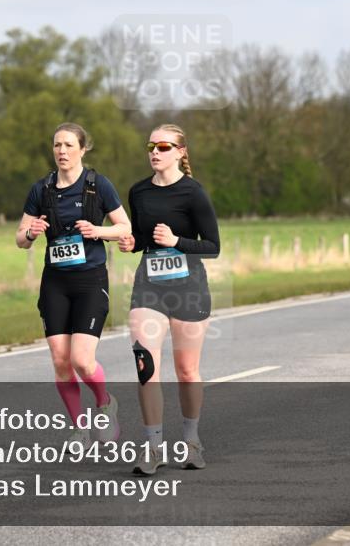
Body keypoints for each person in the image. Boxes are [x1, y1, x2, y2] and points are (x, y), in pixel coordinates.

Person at [16, 123, 131, 447]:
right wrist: (31, 232)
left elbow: (125, 227)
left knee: (81, 359)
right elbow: (20, 239)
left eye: (68, 145)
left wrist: (98, 231)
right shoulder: (42, 189)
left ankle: (105, 403)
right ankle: (79, 427)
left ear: (82, 149)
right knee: (60, 359)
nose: (62, 151)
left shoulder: (98, 185)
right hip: (55, 281)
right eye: (57, 146)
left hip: (90, 280)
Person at [118, 124, 220, 475]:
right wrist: (133, 243)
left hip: (188, 287)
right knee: (146, 367)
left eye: (163, 146)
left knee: (187, 370)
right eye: (151, 146)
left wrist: (177, 241)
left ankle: (191, 441)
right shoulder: (139, 192)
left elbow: (212, 246)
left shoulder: (194, 193)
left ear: (181, 152)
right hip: (150, 286)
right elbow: (143, 238)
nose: (155, 152)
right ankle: (152, 447)